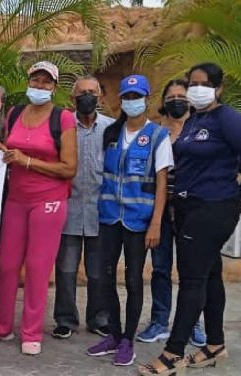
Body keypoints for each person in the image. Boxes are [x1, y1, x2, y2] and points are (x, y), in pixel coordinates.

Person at [139, 63, 241, 376]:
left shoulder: (227, 119)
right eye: (192, 83)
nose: (196, 89)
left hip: (212, 208)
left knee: (191, 278)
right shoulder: (197, 119)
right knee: (210, 274)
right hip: (187, 207)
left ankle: (173, 353)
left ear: (218, 88)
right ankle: (214, 345)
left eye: (203, 83)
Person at [0, 61, 77, 356]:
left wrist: (28, 161)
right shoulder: (15, 113)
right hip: (17, 199)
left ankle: (31, 332)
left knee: (37, 267)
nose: (40, 86)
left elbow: (69, 167)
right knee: (6, 264)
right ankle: (0, 326)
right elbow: (10, 146)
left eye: (46, 82)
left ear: (54, 88)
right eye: (36, 80)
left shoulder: (63, 118)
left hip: (49, 200)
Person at [85, 74, 173, 367]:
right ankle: (113, 333)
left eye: (137, 97)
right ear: (120, 100)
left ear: (147, 99)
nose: (132, 102)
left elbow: (161, 183)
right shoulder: (112, 132)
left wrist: (157, 223)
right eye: (127, 97)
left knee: (134, 280)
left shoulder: (158, 136)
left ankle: (127, 341)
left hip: (139, 220)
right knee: (105, 276)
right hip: (110, 217)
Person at [136, 79, 206, 347]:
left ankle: (192, 324)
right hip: (161, 209)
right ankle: (159, 321)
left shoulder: (201, 130)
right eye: (171, 95)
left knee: (192, 270)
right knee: (161, 268)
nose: (177, 99)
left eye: (182, 95)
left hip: (193, 210)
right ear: (163, 101)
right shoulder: (155, 133)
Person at [51, 75, 112, 340]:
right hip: (69, 209)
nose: (87, 96)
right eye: (81, 92)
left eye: (92, 92)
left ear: (100, 97)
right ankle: (65, 320)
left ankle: (99, 318)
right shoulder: (63, 127)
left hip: (101, 211)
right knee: (65, 270)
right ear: (72, 98)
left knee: (99, 271)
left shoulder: (111, 129)